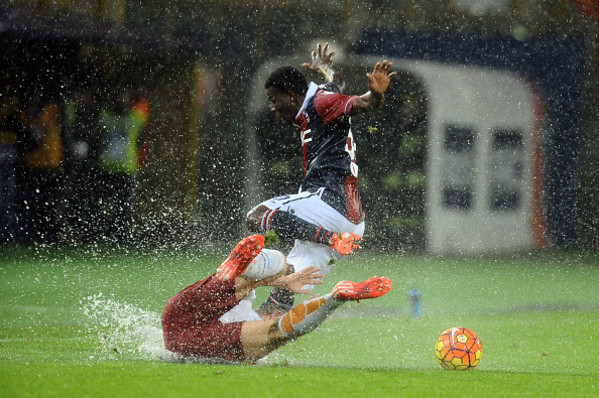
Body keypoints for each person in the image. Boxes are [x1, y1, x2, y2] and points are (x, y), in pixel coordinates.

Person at [246, 43, 397, 312]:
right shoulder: (323, 95)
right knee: (290, 279)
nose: (272, 108)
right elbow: (335, 83)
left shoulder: (321, 102)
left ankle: (328, 239)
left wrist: (375, 94)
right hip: (353, 222)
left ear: (292, 96)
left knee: (257, 216)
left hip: (329, 203)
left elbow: (363, 103)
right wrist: (327, 69)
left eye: (273, 100)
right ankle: (256, 342)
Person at [161, 234, 391, 363]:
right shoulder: (252, 323)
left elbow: (265, 295)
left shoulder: (248, 310)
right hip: (190, 340)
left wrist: (278, 280)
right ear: (271, 313)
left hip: (177, 315)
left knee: (250, 278)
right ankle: (335, 297)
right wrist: (281, 281)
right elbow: (279, 325)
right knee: (279, 331)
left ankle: (244, 263)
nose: (280, 314)